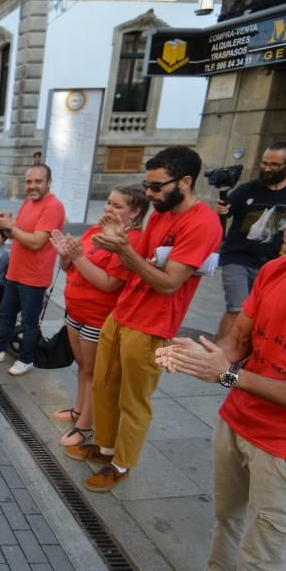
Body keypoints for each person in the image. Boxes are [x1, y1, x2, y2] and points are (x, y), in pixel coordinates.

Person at [151, 185, 286, 571]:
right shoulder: (275, 268)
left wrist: (229, 376)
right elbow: (242, 338)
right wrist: (206, 356)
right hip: (238, 423)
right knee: (226, 520)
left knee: (264, 559)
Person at [64, 147, 222, 491]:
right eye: (146, 186)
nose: (149, 195)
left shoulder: (201, 222)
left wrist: (122, 249)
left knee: (133, 400)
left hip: (152, 324)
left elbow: (168, 283)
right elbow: (143, 258)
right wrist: (117, 243)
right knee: (104, 386)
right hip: (122, 313)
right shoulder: (162, 213)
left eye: (155, 187)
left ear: (185, 181)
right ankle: (106, 449)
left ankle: (122, 465)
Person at [46, 185, 149, 446]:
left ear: (135, 212)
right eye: (108, 203)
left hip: (98, 316)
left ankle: (85, 426)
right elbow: (71, 268)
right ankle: (79, 410)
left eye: (117, 206)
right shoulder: (96, 230)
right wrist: (66, 257)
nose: (108, 209)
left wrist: (77, 257)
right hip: (76, 310)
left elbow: (108, 283)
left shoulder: (132, 240)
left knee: (94, 372)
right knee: (83, 367)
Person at [214, 142, 286, 340]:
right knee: (236, 309)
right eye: (264, 164)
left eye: (274, 165)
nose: (267, 169)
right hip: (237, 258)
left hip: (272, 263)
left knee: (255, 314)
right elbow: (225, 213)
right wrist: (222, 210)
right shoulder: (248, 189)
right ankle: (217, 352)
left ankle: (233, 356)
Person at [0, 164, 66, 376]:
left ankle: (26, 359)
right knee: (6, 314)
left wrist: (11, 227)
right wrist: (4, 224)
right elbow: (15, 232)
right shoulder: (29, 202)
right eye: (29, 182)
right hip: (16, 272)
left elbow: (37, 242)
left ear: (49, 183)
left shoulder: (53, 207)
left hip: (34, 277)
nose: (32, 186)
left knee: (29, 322)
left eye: (38, 181)